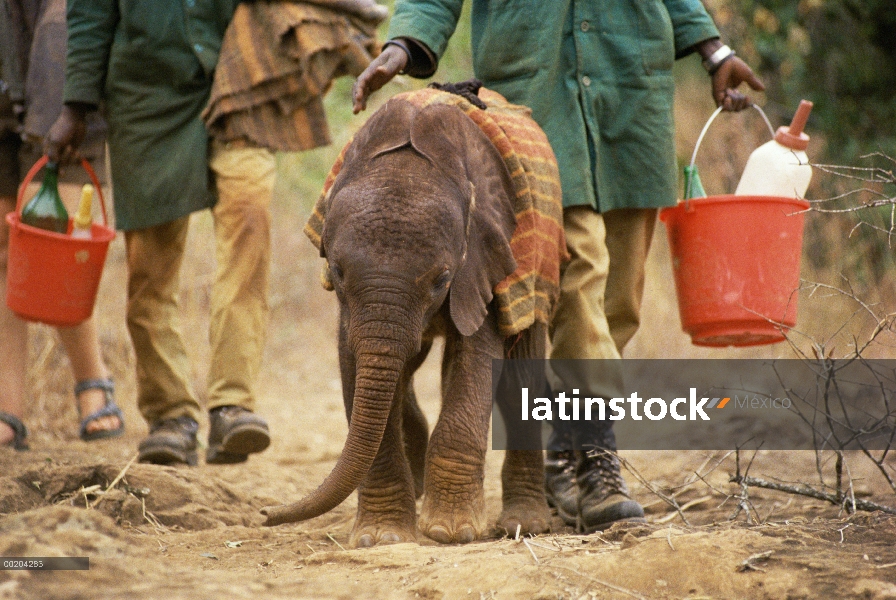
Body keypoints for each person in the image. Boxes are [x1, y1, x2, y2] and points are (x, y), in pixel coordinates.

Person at [352, 1, 764, 531]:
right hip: (538, 100)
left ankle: (561, 447)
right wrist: (403, 44)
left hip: (631, 95)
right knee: (579, 273)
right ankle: (596, 458)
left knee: (618, 302)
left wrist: (714, 49)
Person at [45, 0, 383, 465]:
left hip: (238, 80)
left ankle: (232, 407)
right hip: (147, 99)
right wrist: (76, 104)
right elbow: (90, 14)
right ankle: (171, 417)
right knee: (149, 267)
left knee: (248, 222)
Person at [0, 0, 123, 451]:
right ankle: (8, 408)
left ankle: (93, 380)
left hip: (57, 33)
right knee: (2, 247)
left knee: (51, 237)